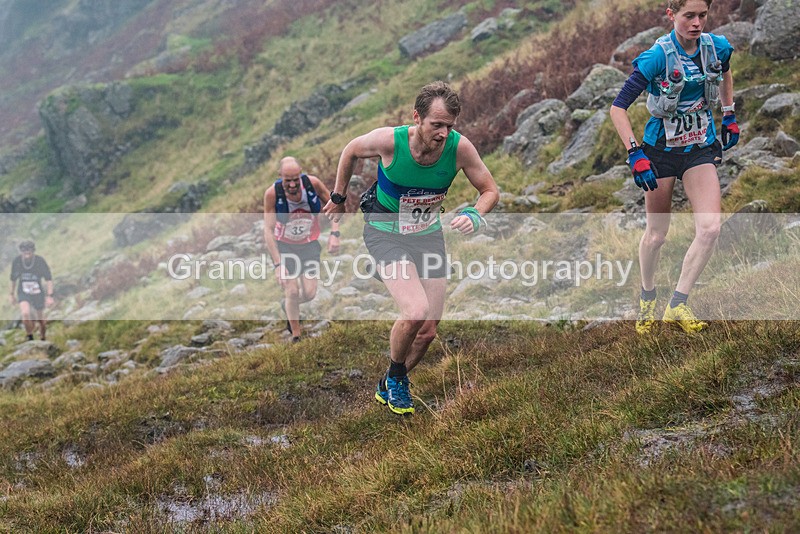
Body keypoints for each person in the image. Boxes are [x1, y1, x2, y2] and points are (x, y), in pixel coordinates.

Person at [323, 81, 499, 415]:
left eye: (449, 126)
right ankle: (397, 378)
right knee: (415, 311)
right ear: (417, 118)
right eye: (436, 125)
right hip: (384, 231)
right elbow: (349, 150)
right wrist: (338, 196)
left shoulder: (460, 149)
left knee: (429, 329)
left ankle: (391, 378)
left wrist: (476, 214)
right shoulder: (390, 141)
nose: (444, 134)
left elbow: (490, 189)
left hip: (427, 235)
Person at [610, 0, 738, 334]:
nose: (697, 23)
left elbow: (724, 70)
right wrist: (635, 153)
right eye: (689, 16)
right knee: (656, 235)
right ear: (672, 16)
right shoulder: (656, 57)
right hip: (660, 152)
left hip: (699, 147)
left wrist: (729, 112)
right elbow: (618, 108)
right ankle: (647, 295)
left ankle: (678, 303)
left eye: (703, 16)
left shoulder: (717, 47)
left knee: (710, 229)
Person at [263, 157, 340, 343]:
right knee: (292, 291)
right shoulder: (272, 194)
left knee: (310, 293)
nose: (292, 184)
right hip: (285, 246)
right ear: (280, 177)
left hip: (309, 245)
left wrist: (335, 234)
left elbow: (334, 206)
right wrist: (278, 264)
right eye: (287, 180)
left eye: (295, 179)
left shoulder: (312, 184)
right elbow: (268, 230)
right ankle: (296, 336)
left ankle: (288, 307)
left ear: (301, 174)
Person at [9, 240, 54, 342]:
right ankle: (30, 336)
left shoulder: (39, 261)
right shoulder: (17, 261)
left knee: (41, 319)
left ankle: (43, 338)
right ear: (21, 252)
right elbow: (13, 279)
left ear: (33, 251)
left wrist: (50, 296)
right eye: (24, 251)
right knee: (25, 313)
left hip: (38, 292)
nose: (26, 253)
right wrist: (11, 294)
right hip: (23, 292)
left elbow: (48, 279)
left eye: (29, 251)